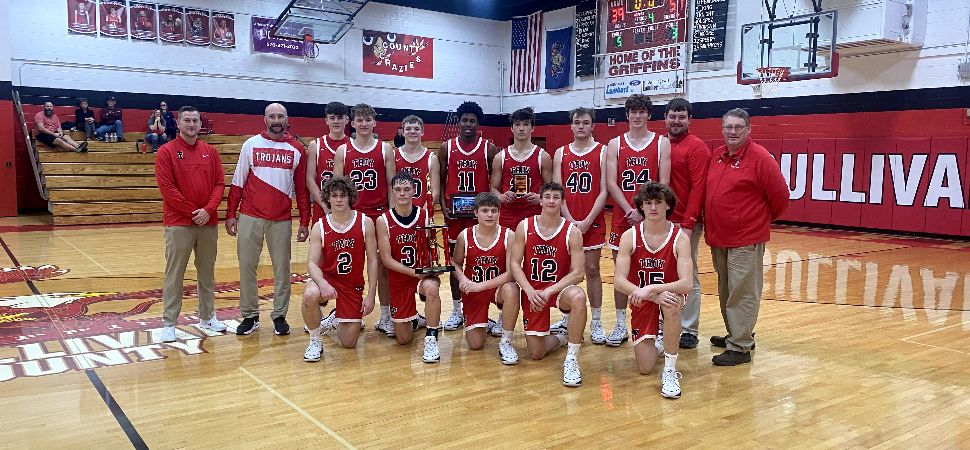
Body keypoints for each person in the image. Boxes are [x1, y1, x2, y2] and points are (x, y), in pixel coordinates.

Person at [706, 108, 789, 366]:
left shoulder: (760, 158)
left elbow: (781, 198)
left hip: (745, 238)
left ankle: (741, 346)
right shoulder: (717, 156)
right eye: (728, 127)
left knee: (743, 292)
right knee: (727, 290)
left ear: (748, 129)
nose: (732, 132)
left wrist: (754, 221)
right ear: (722, 129)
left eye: (738, 127)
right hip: (719, 237)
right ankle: (736, 333)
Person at [225, 103, 311, 336]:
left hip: (281, 219)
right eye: (272, 116)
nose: (276, 120)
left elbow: (302, 189)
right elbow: (238, 181)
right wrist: (231, 213)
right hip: (250, 215)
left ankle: (279, 315)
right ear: (265, 119)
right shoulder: (250, 144)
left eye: (280, 116)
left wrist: (305, 221)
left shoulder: (297, 149)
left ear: (286, 120)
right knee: (247, 267)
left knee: (282, 269)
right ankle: (250, 316)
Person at [613, 182, 694, 399]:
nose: (653, 207)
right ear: (641, 206)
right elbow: (619, 281)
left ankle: (670, 370)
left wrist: (652, 289)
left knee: (671, 305)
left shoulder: (680, 238)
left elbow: (687, 283)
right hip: (644, 297)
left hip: (668, 293)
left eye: (658, 202)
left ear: (668, 205)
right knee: (645, 367)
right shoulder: (630, 236)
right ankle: (660, 341)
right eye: (648, 203)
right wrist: (651, 295)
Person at [154, 106, 227, 343]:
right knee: (174, 275)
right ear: (178, 123)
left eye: (195, 120)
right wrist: (194, 212)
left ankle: (207, 317)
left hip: (208, 222)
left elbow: (219, 184)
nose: (192, 124)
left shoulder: (211, 152)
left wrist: (208, 210)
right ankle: (169, 323)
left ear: (200, 124)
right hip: (179, 223)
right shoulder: (166, 152)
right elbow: (167, 189)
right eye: (187, 120)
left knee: (207, 273)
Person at [604, 94, 670, 347]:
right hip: (623, 217)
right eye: (633, 111)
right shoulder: (615, 144)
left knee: (654, 271)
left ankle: (658, 325)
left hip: (651, 217)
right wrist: (629, 209)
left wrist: (643, 211)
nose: (638, 116)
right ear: (627, 115)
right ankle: (621, 324)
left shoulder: (662, 143)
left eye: (642, 111)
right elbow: (611, 182)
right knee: (620, 273)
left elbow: (664, 183)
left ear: (649, 115)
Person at [507, 182, 588, 386]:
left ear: (562, 202)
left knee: (579, 297)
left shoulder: (572, 231)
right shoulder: (525, 226)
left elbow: (578, 273)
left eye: (556, 197)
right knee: (536, 353)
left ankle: (572, 357)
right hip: (533, 291)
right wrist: (529, 290)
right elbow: (515, 263)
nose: (552, 201)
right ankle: (562, 337)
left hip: (559, 290)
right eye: (548, 197)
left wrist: (549, 290)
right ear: (540, 201)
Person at [332, 103, 396, 336]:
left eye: (368, 119)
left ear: (374, 122)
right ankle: (350, 312)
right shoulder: (343, 151)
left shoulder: (385, 149)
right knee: (352, 266)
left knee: (383, 266)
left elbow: (391, 186)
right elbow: (337, 188)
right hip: (354, 215)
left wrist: (391, 216)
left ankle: (386, 315)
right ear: (352, 123)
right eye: (359, 120)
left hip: (379, 214)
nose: (364, 123)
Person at [437, 101, 500, 333]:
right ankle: (457, 310)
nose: (468, 124)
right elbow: (441, 178)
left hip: (480, 216)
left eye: (472, 120)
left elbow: (495, 183)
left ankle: (488, 311)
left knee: (484, 262)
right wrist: (443, 205)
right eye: (464, 120)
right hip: (455, 215)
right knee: (455, 263)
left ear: (478, 124)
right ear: (458, 121)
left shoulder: (489, 149)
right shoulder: (447, 147)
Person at [302, 177, 379, 361]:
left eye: (342, 195)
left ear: (349, 197)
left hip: (352, 285)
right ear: (327, 198)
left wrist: (371, 295)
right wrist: (322, 284)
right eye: (334, 195)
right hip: (328, 279)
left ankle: (335, 318)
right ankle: (315, 340)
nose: (338, 200)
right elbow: (311, 263)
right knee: (310, 294)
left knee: (349, 342)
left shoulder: (365, 222)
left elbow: (373, 260)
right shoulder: (320, 226)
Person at [550, 107, 608, 344]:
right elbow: (557, 191)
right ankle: (567, 318)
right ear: (571, 126)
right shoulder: (561, 153)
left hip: (592, 220)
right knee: (568, 272)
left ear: (592, 126)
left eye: (585, 122)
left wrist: (586, 221)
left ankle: (596, 321)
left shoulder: (603, 151)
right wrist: (571, 221)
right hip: (567, 221)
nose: (581, 126)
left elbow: (604, 191)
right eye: (577, 122)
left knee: (592, 270)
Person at [376, 172, 442, 363]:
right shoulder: (383, 220)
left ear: (414, 191)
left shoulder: (425, 215)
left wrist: (433, 268)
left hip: (422, 278)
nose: (402, 193)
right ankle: (415, 319)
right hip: (399, 279)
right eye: (398, 189)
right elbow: (386, 260)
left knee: (432, 288)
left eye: (406, 189)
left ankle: (431, 337)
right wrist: (416, 273)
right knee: (403, 340)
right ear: (392, 192)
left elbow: (432, 248)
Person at [663, 98, 711, 349]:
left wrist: (689, 223)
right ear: (665, 118)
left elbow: (699, 188)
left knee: (687, 274)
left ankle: (689, 329)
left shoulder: (697, 147)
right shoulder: (659, 144)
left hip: (684, 223)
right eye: (672, 116)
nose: (676, 121)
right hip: (660, 222)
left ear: (690, 120)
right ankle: (663, 324)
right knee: (661, 272)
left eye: (682, 117)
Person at [450, 192, 518, 355]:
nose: (490, 215)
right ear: (476, 212)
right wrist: (462, 278)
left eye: (494, 211)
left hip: (496, 289)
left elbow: (511, 274)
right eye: (485, 210)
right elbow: (455, 263)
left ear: (499, 213)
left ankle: (506, 341)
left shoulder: (509, 235)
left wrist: (479, 286)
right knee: (475, 344)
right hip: (473, 291)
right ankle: (484, 321)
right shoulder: (464, 235)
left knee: (512, 289)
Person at [491, 107, 552, 231]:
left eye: (526, 124)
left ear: (532, 128)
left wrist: (540, 197)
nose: (521, 128)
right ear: (511, 128)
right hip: (508, 214)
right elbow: (493, 188)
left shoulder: (543, 156)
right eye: (517, 124)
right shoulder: (500, 157)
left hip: (534, 213)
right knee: (509, 244)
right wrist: (501, 197)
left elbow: (551, 188)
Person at [306, 101, 350, 226]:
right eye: (332, 118)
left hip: (348, 206)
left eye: (340, 117)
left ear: (347, 120)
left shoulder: (353, 145)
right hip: (323, 207)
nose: (336, 121)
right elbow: (309, 179)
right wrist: (324, 204)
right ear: (326, 120)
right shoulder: (315, 145)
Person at [394, 115, 440, 213]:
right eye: (408, 129)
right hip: (398, 213)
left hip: (422, 213)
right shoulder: (394, 156)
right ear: (402, 132)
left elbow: (435, 192)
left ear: (422, 132)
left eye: (416, 129)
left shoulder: (432, 158)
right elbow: (390, 189)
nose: (412, 131)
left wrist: (421, 214)